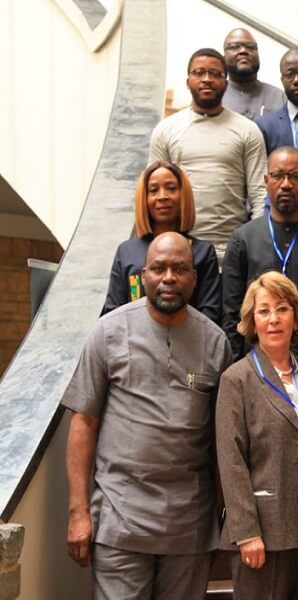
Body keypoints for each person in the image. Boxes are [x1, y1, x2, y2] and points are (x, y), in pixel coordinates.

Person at [63, 232, 232, 599]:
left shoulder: (217, 344)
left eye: (179, 269)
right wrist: (78, 512)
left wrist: (224, 514)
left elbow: (223, 441)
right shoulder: (107, 333)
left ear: (194, 278)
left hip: (189, 525)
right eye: (159, 268)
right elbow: (83, 423)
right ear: (143, 275)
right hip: (120, 520)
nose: (169, 277)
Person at [216, 271, 298, 599]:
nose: (273, 319)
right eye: (263, 311)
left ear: (296, 317)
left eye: (282, 309)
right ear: (251, 321)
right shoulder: (236, 379)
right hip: (265, 532)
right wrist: (246, 532)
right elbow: (231, 460)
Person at [222, 146, 298, 361]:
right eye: (278, 176)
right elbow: (231, 315)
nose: (286, 184)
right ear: (266, 181)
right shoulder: (243, 239)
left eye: (295, 176)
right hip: (256, 365)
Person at [149, 48, 267, 262]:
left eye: (214, 74)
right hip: (180, 256)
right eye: (199, 72)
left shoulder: (248, 130)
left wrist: (253, 246)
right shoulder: (165, 130)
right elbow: (153, 195)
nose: (207, 79)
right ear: (188, 81)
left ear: (226, 83)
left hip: (233, 256)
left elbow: (260, 195)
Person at [102, 161, 221, 323]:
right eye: (153, 190)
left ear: (183, 195)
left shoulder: (202, 253)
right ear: (144, 198)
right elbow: (112, 313)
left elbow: (210, 315)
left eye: (171, 188)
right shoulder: (127, 252)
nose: (163, 196)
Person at [221, 28, 286, 120]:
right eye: (234, 46)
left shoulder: (279, 97)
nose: (243, 51)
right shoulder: (215, 97)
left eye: (250, 47)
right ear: (223, 58)